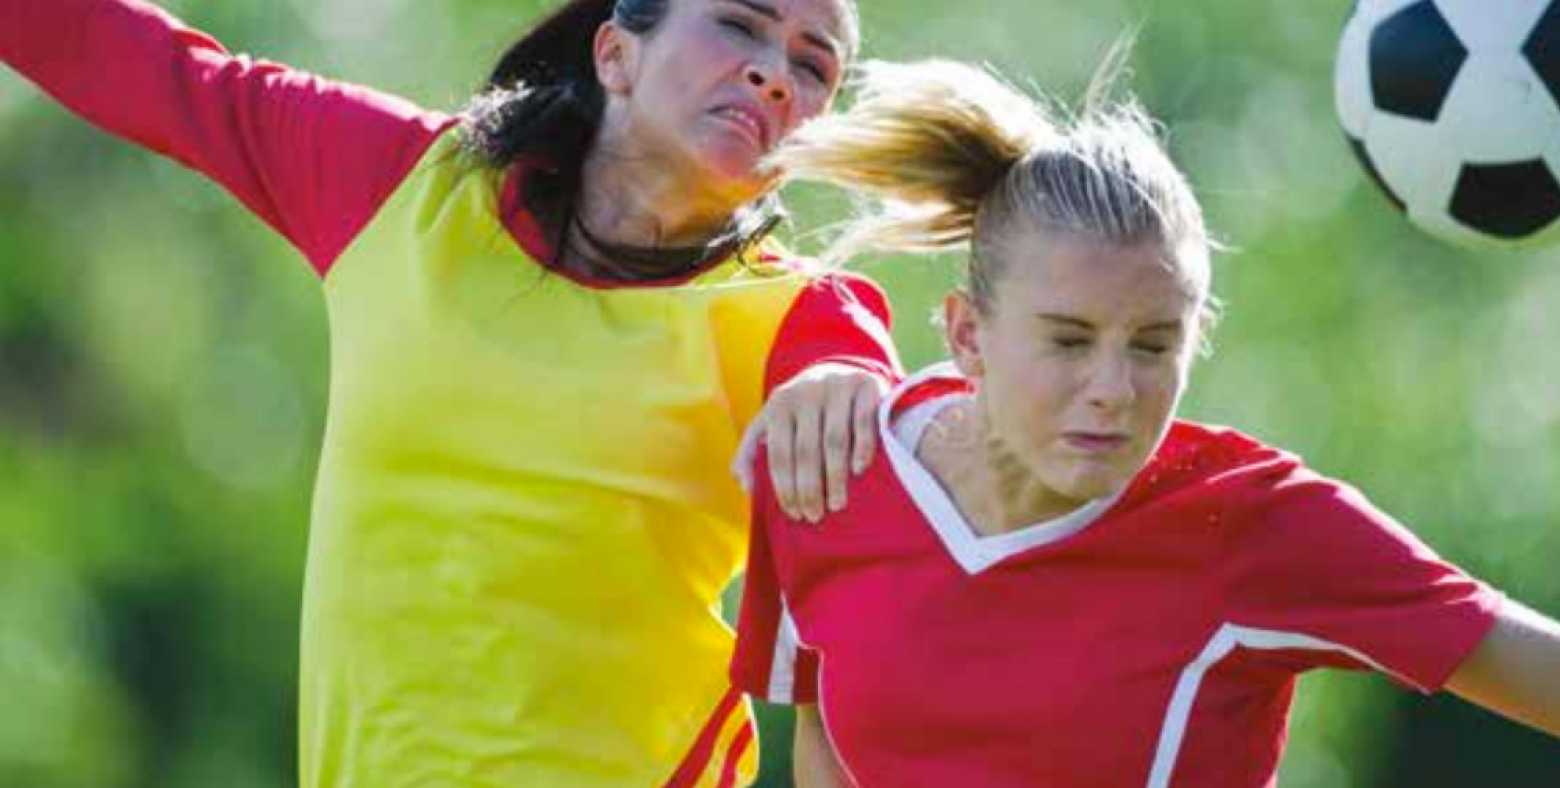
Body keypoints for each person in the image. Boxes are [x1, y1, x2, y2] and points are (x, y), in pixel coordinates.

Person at [2, 0, 904, 784]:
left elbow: (923, 525)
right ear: (614, 54)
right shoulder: (401, 185)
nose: (774, 73)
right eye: (740, 25)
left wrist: (849, 388)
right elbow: (147, 65)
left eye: (813, 64)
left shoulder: (806, 320)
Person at [732, 58, 1560, 786]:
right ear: (965, 335)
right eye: (1069, 340)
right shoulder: (829, 463)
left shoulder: (1255, 525)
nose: (1114, 389)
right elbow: (825, 741)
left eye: (1155, 345)